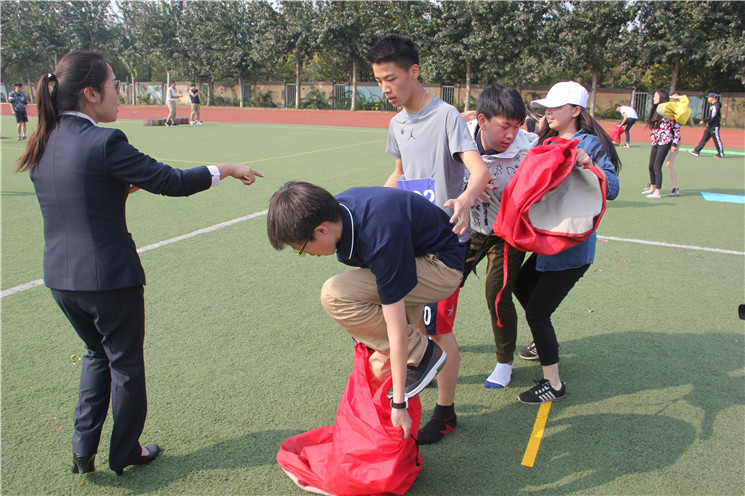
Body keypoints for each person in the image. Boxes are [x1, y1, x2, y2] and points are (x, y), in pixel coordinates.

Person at [16, 51, 263, 476]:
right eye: (114, 86)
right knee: (125, 365)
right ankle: (125, 452)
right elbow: (172, 181)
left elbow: (78, 192)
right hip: (109, 278)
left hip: (61, 279)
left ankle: (83, 450)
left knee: (96, 355)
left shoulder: (44, 139)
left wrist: (115, 187)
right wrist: (225, 168)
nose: (119, 93)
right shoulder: (105, 142)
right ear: (91, 94)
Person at [267, 182, 465, 441]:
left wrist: (399, 404)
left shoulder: (379, 235)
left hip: (440, 267)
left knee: (334, 294)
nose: (304, 254)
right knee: (380, 364)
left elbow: (395, 329)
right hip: (414, 256)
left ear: (321, 230)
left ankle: (425, 353)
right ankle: (383, 444)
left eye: (300, 250)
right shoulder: (339, 211)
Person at [367, 34, 489, 444]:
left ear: (414, 72)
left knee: (437, 330)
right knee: (410, 327)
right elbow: (400, 174)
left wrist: (465, 199)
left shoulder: (448, 116)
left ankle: (446, 411)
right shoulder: (397, 123)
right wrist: (373, 207)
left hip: (444, 243)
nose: (385, 88)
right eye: (379, 80)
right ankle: (410, 402)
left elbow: (479, 170)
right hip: (410, 241)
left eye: (391, 78)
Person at [515, 81, 620, 404]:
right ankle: (545, 341)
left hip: (572, 247)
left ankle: (554, 384)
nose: (548, 113)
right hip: (548, 243)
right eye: (546, 107)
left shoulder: (589, 143)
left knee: (537, 312)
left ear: (575, 110)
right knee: (520, 285)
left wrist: (588, 163)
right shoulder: (546, 140)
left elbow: (613, 188)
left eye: (555, 107)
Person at [460, 83, 538, 389]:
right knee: (439, 283)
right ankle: (425, 346)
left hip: (506, 234)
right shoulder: (458, 139)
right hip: (466, 228)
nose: (512, 134)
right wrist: (468, 190)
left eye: (517, 126)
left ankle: (504, 362)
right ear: (482, 120)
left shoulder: (529, 148)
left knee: (497, 293)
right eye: (505, 126)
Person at [642, 89, 680, 199]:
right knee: (651, 165)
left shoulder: (668, 110)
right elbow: (657, 126)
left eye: (656, 96)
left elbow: (676, 128)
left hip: (665, 141)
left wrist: (675, 144)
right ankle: (652, 187)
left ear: (661, 97)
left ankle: (658, 192)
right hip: (657, 140)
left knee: (657, 166)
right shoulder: (658, 110)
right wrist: (653, 134)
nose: (654, 98)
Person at [690, 92, 725, 158]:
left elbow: (712, 116)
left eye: (709, 97)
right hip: (710, 125)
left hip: (714, 126)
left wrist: (704, 120)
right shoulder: (713, 106)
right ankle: (696, 151)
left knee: (716, 139)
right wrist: (708, 122)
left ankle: (720, 153)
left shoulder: (716, 106)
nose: (708, 99)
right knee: (704, 138)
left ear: (712, 98)